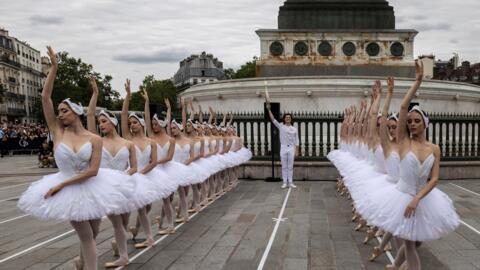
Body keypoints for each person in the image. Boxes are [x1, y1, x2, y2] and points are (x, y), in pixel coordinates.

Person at [17, 46, 132, 270]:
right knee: (87, 235)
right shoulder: (57, 132)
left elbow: (93, 171)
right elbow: (45, 96)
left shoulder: (94, 138)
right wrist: (54, 68)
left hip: (90, 185)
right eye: (58, 111)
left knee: (94, 231)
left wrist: (61, 184)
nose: (60, 114)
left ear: (76, 113)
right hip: (68, 189)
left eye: (64, 110)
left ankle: (81, 263)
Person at [265, 98, 299, 188]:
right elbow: (273, 119)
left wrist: (297, 150)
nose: (288, 119)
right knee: (284, 166)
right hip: (283, 147)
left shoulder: (294, 129)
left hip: (291, 148)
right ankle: (284, 182)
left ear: (291, 119)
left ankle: (290, 182)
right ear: (284, 119)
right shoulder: (281, 126)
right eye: (286, 117)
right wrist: (269, 109)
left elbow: (297, 140)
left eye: (289, 117)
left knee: (290, 166)